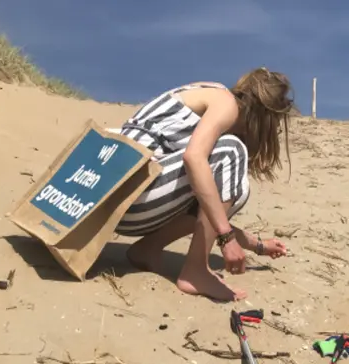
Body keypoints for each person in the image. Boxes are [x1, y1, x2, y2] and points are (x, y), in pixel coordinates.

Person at [112, 68, 293, 302]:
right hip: (126, 197)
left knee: (220, 185)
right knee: (229, 152)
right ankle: (196, 271)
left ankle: (148, 249)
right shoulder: (226, 104)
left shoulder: (209, 93)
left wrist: (258, 245)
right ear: (265, 115)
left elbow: (208, 210)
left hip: (120, 198)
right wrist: (226, 239)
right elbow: (193, 158)